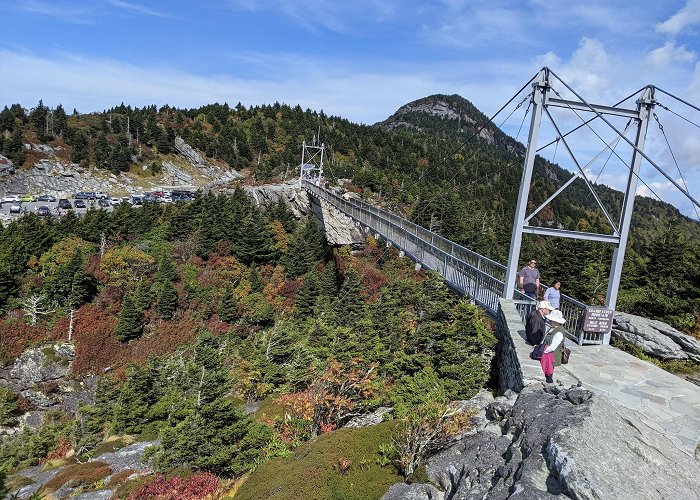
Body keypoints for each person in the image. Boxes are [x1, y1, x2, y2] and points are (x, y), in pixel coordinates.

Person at [540, 309, 567, 384]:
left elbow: (552, 347)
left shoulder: (559, 332)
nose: (550, 321)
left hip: (552, 354)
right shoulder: (553, 328)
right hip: (548, 353)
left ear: (556, 321)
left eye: (552, 320)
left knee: (549, 370)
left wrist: (542, 350)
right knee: (547, 369)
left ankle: (549, 384)